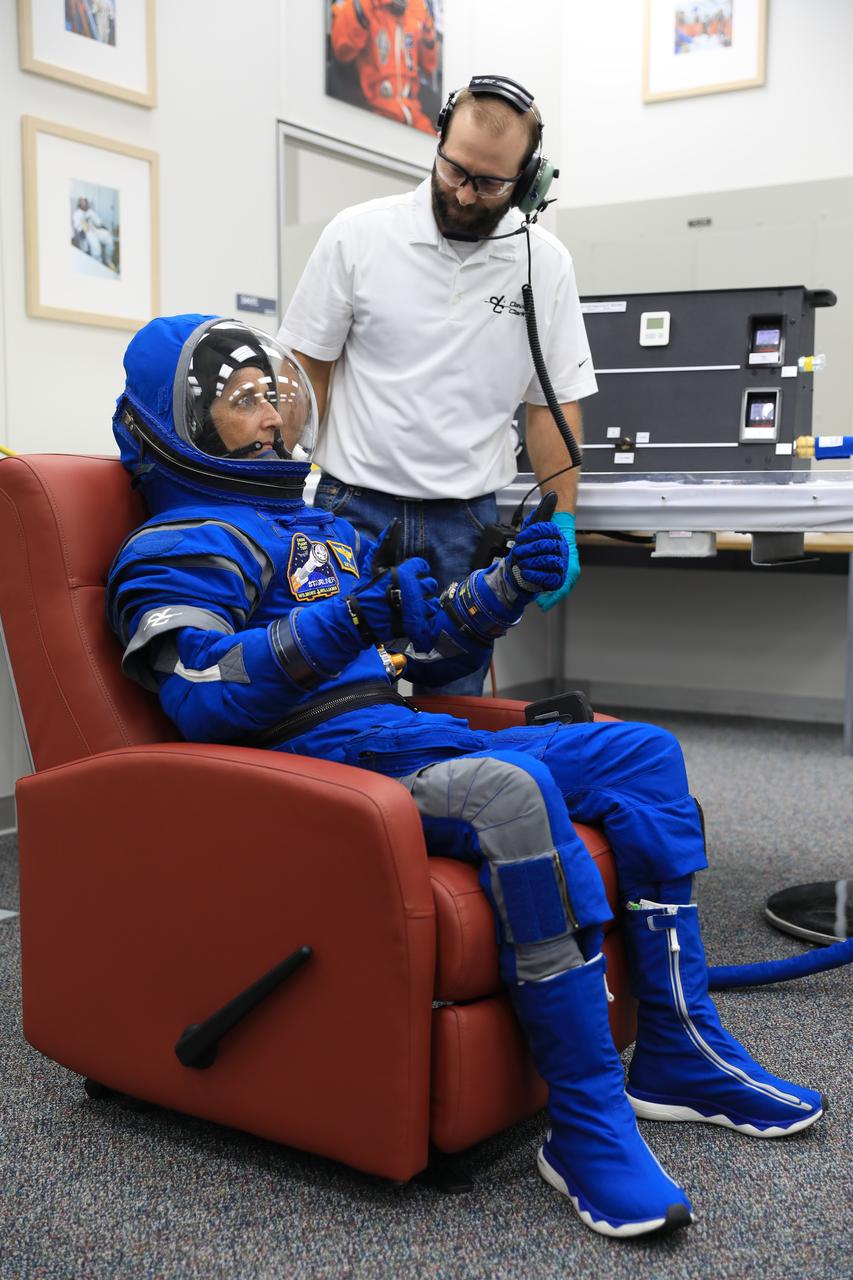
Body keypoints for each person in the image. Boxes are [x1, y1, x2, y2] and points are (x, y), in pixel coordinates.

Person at [107, 314, 825, 1240]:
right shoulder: (177, 542)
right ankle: (585, 1125)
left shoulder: (313, 525)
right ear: (182, 431)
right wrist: (344, 626)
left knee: (642, 755)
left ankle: (679, 1049)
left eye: (272, 394)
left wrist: (497, 593)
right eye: (243, 403)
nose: (273, 417)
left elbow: (411, 637)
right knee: (508, 794)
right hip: (316, 769)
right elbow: (203, 690)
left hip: (401, 731)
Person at [277, 73, 595, 696]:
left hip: (467, 527)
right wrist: (281, 491)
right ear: (439, 141)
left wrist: (564, 525)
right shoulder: (358, 234)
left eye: (490, 182)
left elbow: (550, 409)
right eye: (454, 169)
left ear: (529, 181)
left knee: (453, 705)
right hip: (352, 511)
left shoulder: (545, 265)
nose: (465, 193)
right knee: (336, 692)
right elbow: (306, 373)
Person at [328, 0, 439, 134]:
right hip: (371, 110)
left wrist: (428, 32)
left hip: (411, 111)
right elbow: (343, 49)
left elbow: (429, 66)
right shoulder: (359, 4)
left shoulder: (417, 7)